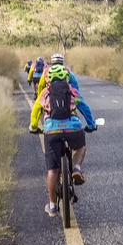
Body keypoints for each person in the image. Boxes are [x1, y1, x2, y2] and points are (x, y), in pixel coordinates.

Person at [30, 64, 97, 217]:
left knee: (52, 170)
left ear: (48, 79)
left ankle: (52, 206)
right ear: (66, 78)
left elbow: (35, 112)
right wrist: (91, 124)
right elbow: (85, 108)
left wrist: (33, 127)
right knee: (80, 147)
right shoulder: (72, 91)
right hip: (73, 129)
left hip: (52, 131)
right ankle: (77, 168)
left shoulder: (45, 93)